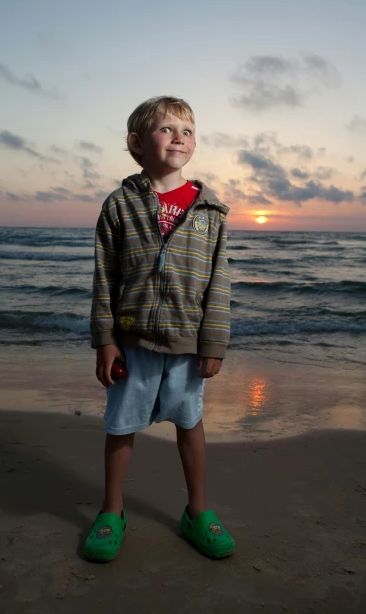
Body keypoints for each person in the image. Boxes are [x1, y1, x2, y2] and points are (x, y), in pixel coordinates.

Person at [85, 95, 234, 562]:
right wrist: (106, 340)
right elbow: (104, 276)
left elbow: (219, 284)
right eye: (167, 129)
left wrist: (214, 343)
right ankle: (112, 511)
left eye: (187, 131)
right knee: (121, 426)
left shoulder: (211, 210)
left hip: (187, 343)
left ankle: (198, 511)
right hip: (133, 341)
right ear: (136, 143)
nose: (179, 138)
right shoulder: (119, 205)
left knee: (189, 422)